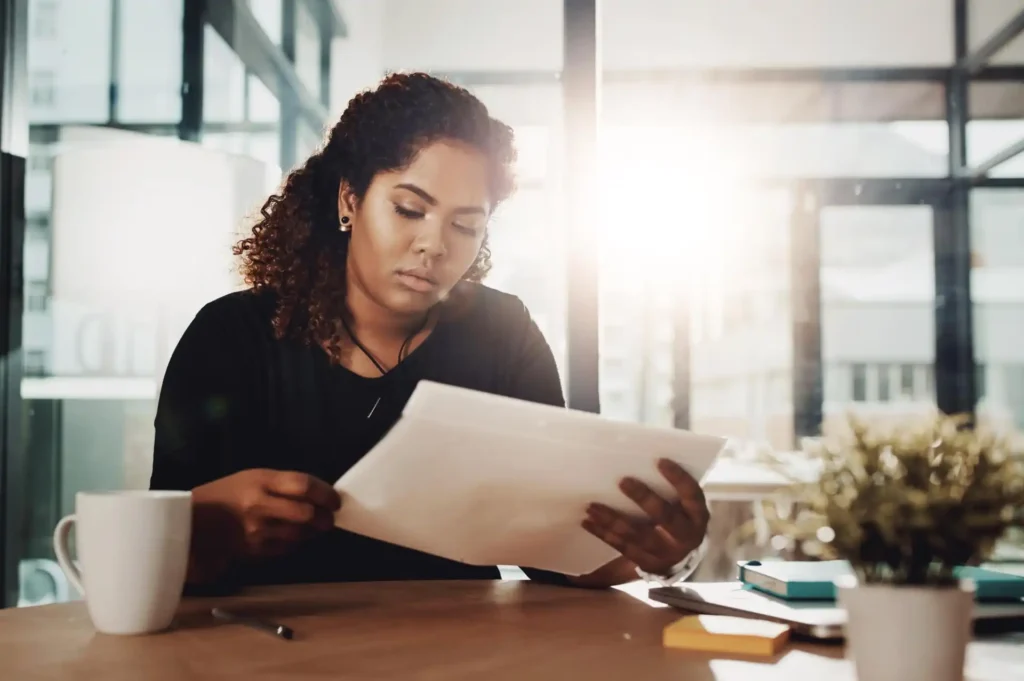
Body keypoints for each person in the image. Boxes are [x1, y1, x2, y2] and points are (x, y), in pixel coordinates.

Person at [150, 72, 709, 591]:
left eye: (465, 225)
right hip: (269, 644)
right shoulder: (231, 336)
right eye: (409, 209)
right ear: (349, 199)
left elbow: (554, 554)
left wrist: (660, 555)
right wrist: (207, 522)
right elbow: (151, 554)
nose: (435, 246)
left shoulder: (503, 333)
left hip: (462, 643)